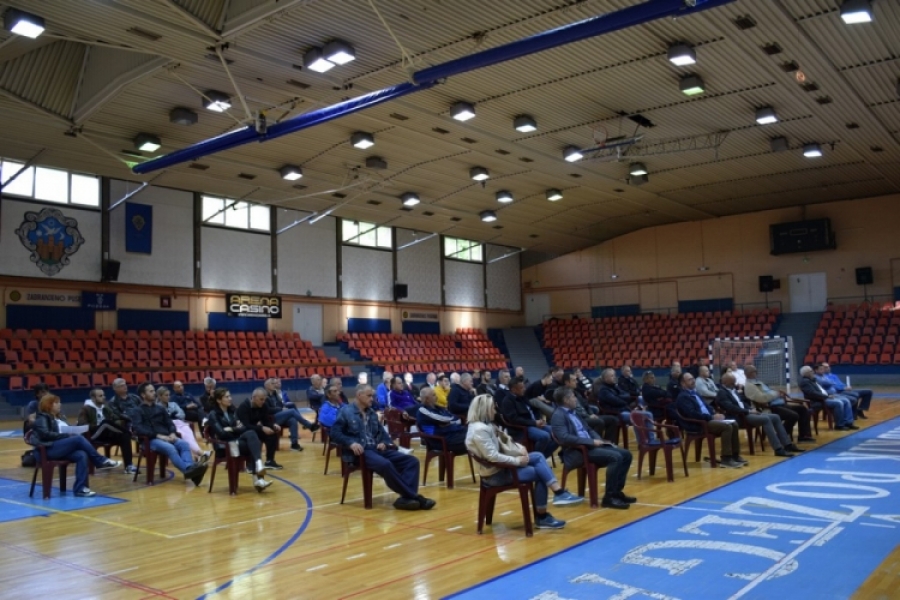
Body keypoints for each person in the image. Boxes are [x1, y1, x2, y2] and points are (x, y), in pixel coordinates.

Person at [467, 393, 582, 529]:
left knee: (538, 456)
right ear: (485, 409)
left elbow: (505, 442)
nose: (495, 411)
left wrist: (519, 448)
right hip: (496, 475)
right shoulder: (480, 430)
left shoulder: (485, 425)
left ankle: (558, 493)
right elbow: (493, 457)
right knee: (541, 473)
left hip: (502, 467)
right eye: (492, 408)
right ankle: (543, 515)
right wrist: (517, 461)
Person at [330, 384, 435, 511]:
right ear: (359, 395)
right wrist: (351, 443)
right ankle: (415, 497)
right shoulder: (346, 411)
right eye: (369, 396)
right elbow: (334, 433)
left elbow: (383, 435)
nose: (372, 399)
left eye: (372, 396)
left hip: (376, 450)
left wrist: (384, 443)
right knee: (385, 465)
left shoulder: (372, 413)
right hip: (360, 452)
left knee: (412, 461)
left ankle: (406, 499)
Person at [550, 386, 635, 510]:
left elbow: (588, 429)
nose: (576, 399)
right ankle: (609, 497)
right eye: (573, 397)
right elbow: (564, 438)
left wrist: (599, 440)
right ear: (566, 400)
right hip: (578, 451)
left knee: (626, 454)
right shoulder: (558, 415)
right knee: (616, 457)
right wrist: (590, 442)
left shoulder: (574, 413)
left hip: (590, 447)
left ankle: (617, 492)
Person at [30, 394, 121, 497]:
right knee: (78, 439)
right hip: (47, 450)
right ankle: (100, 461)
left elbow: (65, 430)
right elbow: (45, 435)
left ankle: (80, 489)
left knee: (82, 454)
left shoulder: (61, 417)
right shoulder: (42, 417)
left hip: (60, 447)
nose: (60, 404)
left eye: (59, 402)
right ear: (48, 405)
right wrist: (67, 435)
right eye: (56, 402)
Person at [129, 382, 209, 485]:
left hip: (167, 436)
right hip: (151, 440)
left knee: (184, 444)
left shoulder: (160, 408)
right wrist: (158, 435)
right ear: (143, 395)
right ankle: (190, 471)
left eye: (154, 391)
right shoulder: (137, 411)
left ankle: (190, 470)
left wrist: (172, 433)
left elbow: (170, 423)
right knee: (170, 448)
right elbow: (139, 429)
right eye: (151, 391)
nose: (154, 393)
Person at [716, 373, 803, 458]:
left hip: (748, 412)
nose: (734, 384)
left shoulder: (736, 390)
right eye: (732, 383)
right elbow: (731, 408)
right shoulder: (722, 393)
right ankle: (778, 449)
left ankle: (787, 445)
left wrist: (751, 409)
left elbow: (742, 403)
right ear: (725, 382)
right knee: (766, 419)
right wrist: (749, 411)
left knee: (776, 417)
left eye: (734, 382)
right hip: (741, 416)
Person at [206, 387, 273, 491]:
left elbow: (243, 428)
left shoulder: (232, 411)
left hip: (236, 442)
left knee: (251, 434)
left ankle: (259, 469)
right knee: (253, 443)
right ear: (219, 400)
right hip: (224, 446)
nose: (230, 398)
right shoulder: (213, 414)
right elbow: (222, 434)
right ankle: (258, 475)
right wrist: (235, 429)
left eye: (230, 396)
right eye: (227, 397)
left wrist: (231, 429)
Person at [675, 372, 745, 469]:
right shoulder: (683, 397)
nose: (693, 381)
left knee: (734, 424)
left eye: (693, 378)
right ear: (683, 383)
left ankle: (735, 455)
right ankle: (726, 459)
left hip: (707, 420)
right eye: (690, 380)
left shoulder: (695, 393)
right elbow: (693, 414)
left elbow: (706, 407)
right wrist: (711, 417)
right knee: (727, 427)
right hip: (698, 425)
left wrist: (715, 414)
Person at [744, 364, 815, 443]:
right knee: (793, 415)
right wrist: (776, 394)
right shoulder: (749, 386)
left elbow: (768, 392)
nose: (757, 373)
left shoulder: (756, 382)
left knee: (802, 409)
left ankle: (804, 436)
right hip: (768, 408)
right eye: (754, 371)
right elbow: (762, 398)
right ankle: (781, 437)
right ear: (749, 373)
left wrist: (775, 393)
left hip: (776, 404)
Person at [76, 387, 135, 474]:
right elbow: (82, 425)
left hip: (106, 433)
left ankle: (128, 466)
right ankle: (131, 433)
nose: (103, 397)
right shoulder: (86, 409)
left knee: (124, 436)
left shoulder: (105, 408)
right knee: (105, 423)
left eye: (103, 395)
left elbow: (115, 417)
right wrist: (96, 426)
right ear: (93, 398)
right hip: (93, 434)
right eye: (100, 396)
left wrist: (123, 419)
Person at [500, 376, 558, 458]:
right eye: (521, 388)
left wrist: (539, 420)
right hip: (523, 428)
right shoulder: (507, 401)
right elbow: (514, 419)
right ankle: (535, 458)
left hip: (533, 423)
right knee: (544, 436)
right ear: (513, 389)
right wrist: (534, 423)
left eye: (524, 387)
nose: (524, 389)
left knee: (558, 433)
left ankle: (540, 458)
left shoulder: (522, 396)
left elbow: (533, 410)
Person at [596, 368, 656, 442]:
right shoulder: (604, 391)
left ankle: (649, 440)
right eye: (612, 376)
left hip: (624, 410)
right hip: (617, 413)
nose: (614, 377)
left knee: (647, 414)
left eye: (614, 375)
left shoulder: (615, 387)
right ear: (606, 378)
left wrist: (620, 397)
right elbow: (617, 401)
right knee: (641, 416)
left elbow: (627, 395)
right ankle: (645, 442)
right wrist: (623, 399)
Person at [264, 378, 319, 451]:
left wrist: (282, 407)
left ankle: (294, 444)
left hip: (279, 415)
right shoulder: (265, 396)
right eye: (272, 383)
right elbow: (268, 410)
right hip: (272, 418)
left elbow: (280, 404)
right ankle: (309, 426)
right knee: (292, 411)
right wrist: (280, 409)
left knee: (292, 420)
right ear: (267, 386)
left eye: (274, 383)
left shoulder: (275, 393)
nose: (274, 385)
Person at [237, 387, 284, 469]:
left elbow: (266, 421)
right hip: (244, 432)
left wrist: (273, 425)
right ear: (254, 398)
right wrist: (262, 428)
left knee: (272, 435)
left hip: (255, 429)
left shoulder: (263, 406)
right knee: (254, 436)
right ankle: (251, 463)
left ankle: (270, 461)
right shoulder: (244, 406)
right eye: (261, 399)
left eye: (264, 399)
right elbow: (246, 425)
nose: (263, 401)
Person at [157, 385, 206, 459]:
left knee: (189, 433)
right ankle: (200, 453)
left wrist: (175, 415)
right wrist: (169, 416)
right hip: (169, 426)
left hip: (180, 423)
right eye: (166, 395)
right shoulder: (157, 407)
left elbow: (182, 414)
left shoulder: (173, 404)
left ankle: (197, 454)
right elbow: (160, 419)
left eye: (169, 395)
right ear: (160, 396)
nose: (168, 397)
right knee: (183, 435)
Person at [801, 366, 857, 430]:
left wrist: (827, 395)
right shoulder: (805, 382)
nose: (813, 372)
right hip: (818, 401)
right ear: (806, 373)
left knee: (846, 400)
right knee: (839, 403)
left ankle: (848, 423)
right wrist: (826, 396)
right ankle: (839, 425)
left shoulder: (812, 380)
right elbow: (812, 393)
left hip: (824, 397)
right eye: (811, 371)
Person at [416, 387, 467, 455]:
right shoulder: (423, 411)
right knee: (472, 440)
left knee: (473, 434)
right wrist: (449, 422)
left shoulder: (438, 408)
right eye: (434, 395)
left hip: (452, 434)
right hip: (440, 441)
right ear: (427, 399)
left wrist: (448, 423)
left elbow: (457, 420)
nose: (436, 396)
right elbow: (445, 419)